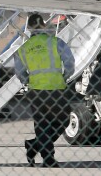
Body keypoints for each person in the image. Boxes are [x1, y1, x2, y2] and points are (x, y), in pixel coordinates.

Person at [14, 13, 75, 167]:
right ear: (44, 25)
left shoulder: (23, 49)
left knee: (42, 125)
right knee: (62, 121)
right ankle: (47, 157)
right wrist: (64, 77)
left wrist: (29, 81)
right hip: (57, 89)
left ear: (28, 28)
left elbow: (20, 73)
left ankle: (36, 146)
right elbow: (70, 63)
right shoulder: (55, 42)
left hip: (36, 91)